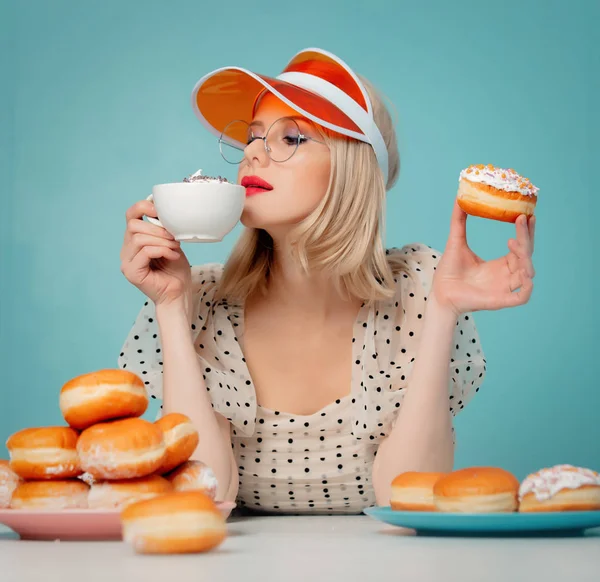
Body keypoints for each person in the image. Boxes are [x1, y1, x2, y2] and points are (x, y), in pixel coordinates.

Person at [118, 48, 536, 515]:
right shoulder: (202, 300)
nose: (254, 152)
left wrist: (442, 312)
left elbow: (410, 497)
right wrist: (173, 308)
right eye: (253, 138)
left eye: (291, 137)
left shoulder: (421, 290)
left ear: (350, 166)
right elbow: (200, 500)